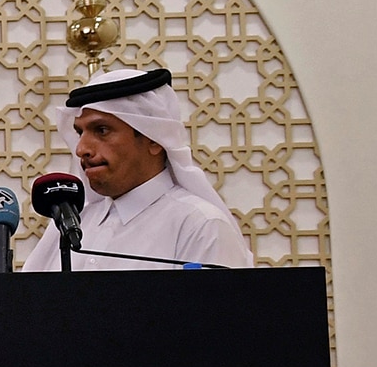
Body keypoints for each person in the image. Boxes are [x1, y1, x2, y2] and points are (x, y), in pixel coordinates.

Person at [22, 67, 254, 271]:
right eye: (80, 132)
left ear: (154, 139)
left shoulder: (200, 226)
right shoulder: (70, 223)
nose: (82, 149)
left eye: (102, 130)